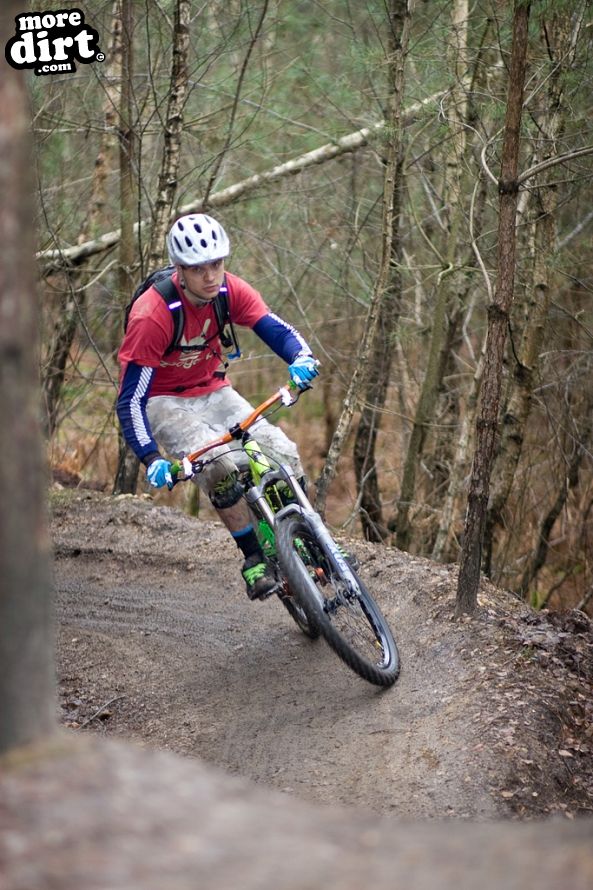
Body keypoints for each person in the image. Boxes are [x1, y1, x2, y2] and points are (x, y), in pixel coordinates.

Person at [117, 213, 319, 600]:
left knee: (283, 453)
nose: (210, 276)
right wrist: (150, 458)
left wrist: (300, 357)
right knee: (222, 468)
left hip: (214, 389)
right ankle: (253, 557)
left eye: (217, 264)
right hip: (165, 401)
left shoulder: (229, 291)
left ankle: (312, 536)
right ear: (179, 270)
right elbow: (131, 399)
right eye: (198, 268)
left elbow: (271, 325)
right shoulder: (152, 315)